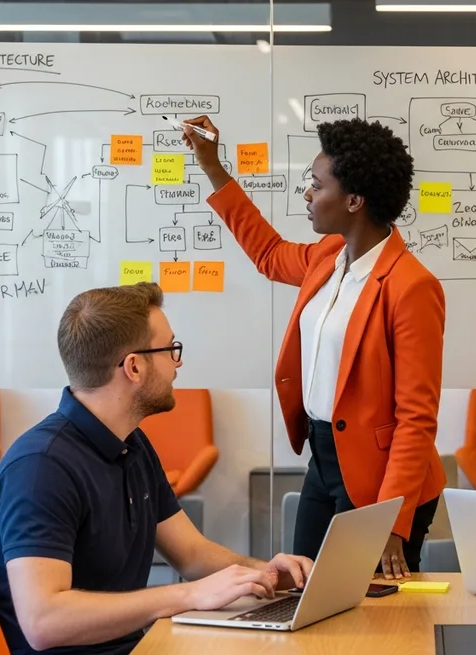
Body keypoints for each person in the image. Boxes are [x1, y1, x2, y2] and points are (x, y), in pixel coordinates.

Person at [0, 283, 314, 655]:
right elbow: (44, 622)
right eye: (171, 349)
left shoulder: (130, 443)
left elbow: (191, 553)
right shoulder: (41, 469)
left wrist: (265, 573)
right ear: (134, 366)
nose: (178, 362)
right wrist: (188, 595)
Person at [183, 115, 446, 580]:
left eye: (316, 184)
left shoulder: (411, 287)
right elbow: (266, 252)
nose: (307, 193)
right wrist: (212, 166)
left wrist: (392, 522)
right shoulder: (327, 258)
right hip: (324, 460)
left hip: (380, 477)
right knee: (304, 590)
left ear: (354, 201)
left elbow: (416, 417)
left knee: (372, 621)